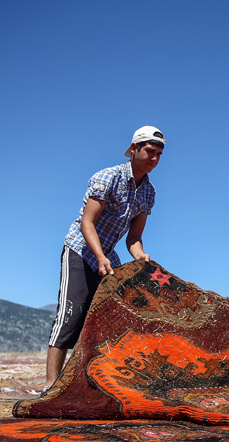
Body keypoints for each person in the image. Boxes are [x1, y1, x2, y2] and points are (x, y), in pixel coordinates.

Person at [44, 125, 165, 390]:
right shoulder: (108, 177)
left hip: (107, 256)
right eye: (149, 152)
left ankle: (89, 384)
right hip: (80, 250)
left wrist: (141, 256)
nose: (154, 159)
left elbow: (133, 238)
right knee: (71, 316)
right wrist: (99, 256)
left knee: (105, 318)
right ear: (134, 149)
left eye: (158, 154)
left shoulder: (148, 192)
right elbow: (87, 223)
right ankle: (50, 386)